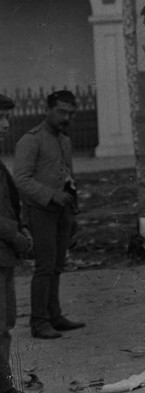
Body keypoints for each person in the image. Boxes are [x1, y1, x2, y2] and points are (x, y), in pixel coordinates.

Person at [13, 89, 84, 340]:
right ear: (48, 110)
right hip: (40, 211)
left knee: (56, 266)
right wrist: (51, 196)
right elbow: (20, 179)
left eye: (71, 114)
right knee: (44, 267)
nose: (66, 118)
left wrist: (72, 210)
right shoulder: (31, 140)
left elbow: (68, 178)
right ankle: (39, 322)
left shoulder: (64, 140)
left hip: (62, 212)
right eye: (61, 112)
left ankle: (55, 315)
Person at [0, 95, 34, 391]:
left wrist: (21, 226)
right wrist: (19, 237)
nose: (5, 125)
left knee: (5, 324)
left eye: (6, 118)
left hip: (4, 256)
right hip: (3, 251)